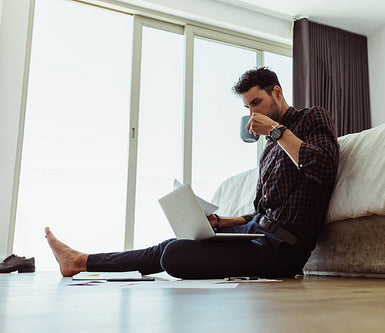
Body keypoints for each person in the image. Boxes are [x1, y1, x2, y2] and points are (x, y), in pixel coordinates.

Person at [45, 67, 339, 279]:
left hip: (283, 249)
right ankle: (80, 261)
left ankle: (82, 261)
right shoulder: (268, 151)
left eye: (256, 102)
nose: (251, 112)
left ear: (277, 92)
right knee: (175, 244)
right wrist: (219, 222)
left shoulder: (311, 118)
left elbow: (323, 167)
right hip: (256, 232)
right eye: (247, 106)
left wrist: (276, 131)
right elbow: (260, 212)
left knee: (174, 255)